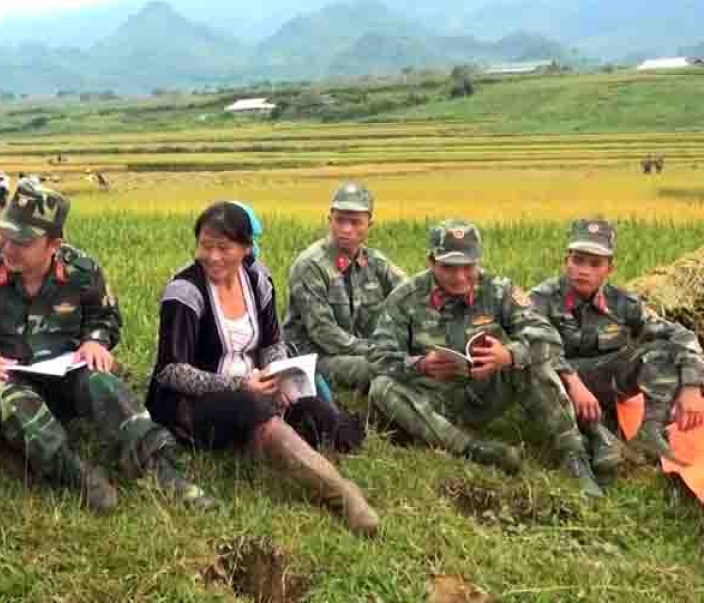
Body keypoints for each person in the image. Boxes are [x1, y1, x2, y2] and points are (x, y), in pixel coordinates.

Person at [0, 181, 215, 512]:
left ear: (54, 244)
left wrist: (95, 341)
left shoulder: (81, 270)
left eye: (23, 241)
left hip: (67, 370)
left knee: (104, 382)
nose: (9, 247)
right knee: (11, 399)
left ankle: (162, 469)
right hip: (7, 374)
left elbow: (106, 317)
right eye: (6, 235)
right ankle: (75, 474)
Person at [145, 202, 378, 535]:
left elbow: (271, 342)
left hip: (256, 388)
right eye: (205, 246)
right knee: (253, 407)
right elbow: (170, 371)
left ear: (245, 248)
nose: (212, 256)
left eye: (223, 248)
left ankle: (267, 443)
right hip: (191, 405)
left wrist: (277, 374)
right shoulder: (184, 292)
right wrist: (240, 386)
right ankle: (343, 495)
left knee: (322, 417)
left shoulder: (257, 279)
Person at [367, 219, 602, 497]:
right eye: (449, 268)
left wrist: (508, 355)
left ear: (478, 261)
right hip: (433, 401)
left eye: (468, 267)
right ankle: (474, 450)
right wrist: (420, 364)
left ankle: (574, 455)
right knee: (381, 387)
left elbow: (548, 338)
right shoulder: (405, 297)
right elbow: (377, 355)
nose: (459, 277)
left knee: (531, 360)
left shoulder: (498, 289)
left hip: (487, 391)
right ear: (431, 261)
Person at [529, 218, 704, 467]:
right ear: (566, 261)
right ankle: (593, 439)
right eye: (577, 260)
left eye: (595, 263)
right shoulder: (541, 298)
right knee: (538, 367)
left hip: (604, 383)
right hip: (559, 386)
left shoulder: (622, 302)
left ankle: (649, 433)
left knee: (661, 352)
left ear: (609, 269)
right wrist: (574, 383)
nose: (584, 270)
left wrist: (692, 387)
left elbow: (680, 335)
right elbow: (533, 343)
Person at [283, 182, 407, 391]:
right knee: (387, 367)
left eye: (355, 222)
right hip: (315, 358)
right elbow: (324, 333)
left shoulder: (375, 262)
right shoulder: (311, 266)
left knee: (416, 360)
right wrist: (376, 350)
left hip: (358, 352)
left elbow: (411, 294)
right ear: (329, 220)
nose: (346, 229)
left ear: (370, 225)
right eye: (340, 220)